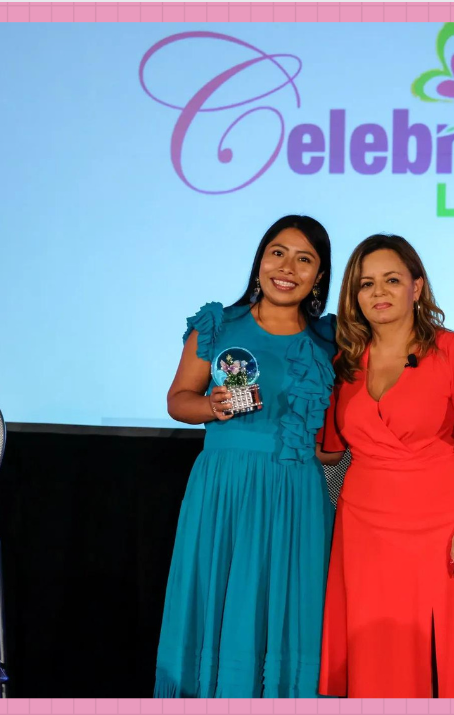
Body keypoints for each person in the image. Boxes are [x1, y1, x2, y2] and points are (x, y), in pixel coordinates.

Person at [155, 215, 339, 698]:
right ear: (260, 260)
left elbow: (334, 431)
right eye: (277, 252)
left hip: (296, 493)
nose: (287, 267)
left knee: (287, 609)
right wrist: (209, 407)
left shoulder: (330, 342)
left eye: (305, 259)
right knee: (218, 603)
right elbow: (178, 399)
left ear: (319, 275)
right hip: (224, 488)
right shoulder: (219, 325)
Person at [317, 234, 454, 698]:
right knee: (374, 651)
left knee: (445, 656)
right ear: (354, 296)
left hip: (439, 526)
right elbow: (330, 450)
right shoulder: (345, 362)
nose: (378, 293)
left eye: (392, 280)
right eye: (366, 284)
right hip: (361, 528)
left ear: (416, 288)